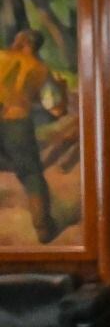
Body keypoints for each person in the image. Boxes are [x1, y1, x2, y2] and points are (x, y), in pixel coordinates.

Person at [0, 29, 65, 243]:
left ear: (23, 41)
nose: (14, 40)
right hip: (17, 121)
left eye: (17, 38)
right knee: (31, 174)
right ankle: (43, 227)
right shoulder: (41, 70)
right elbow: (55, 109)